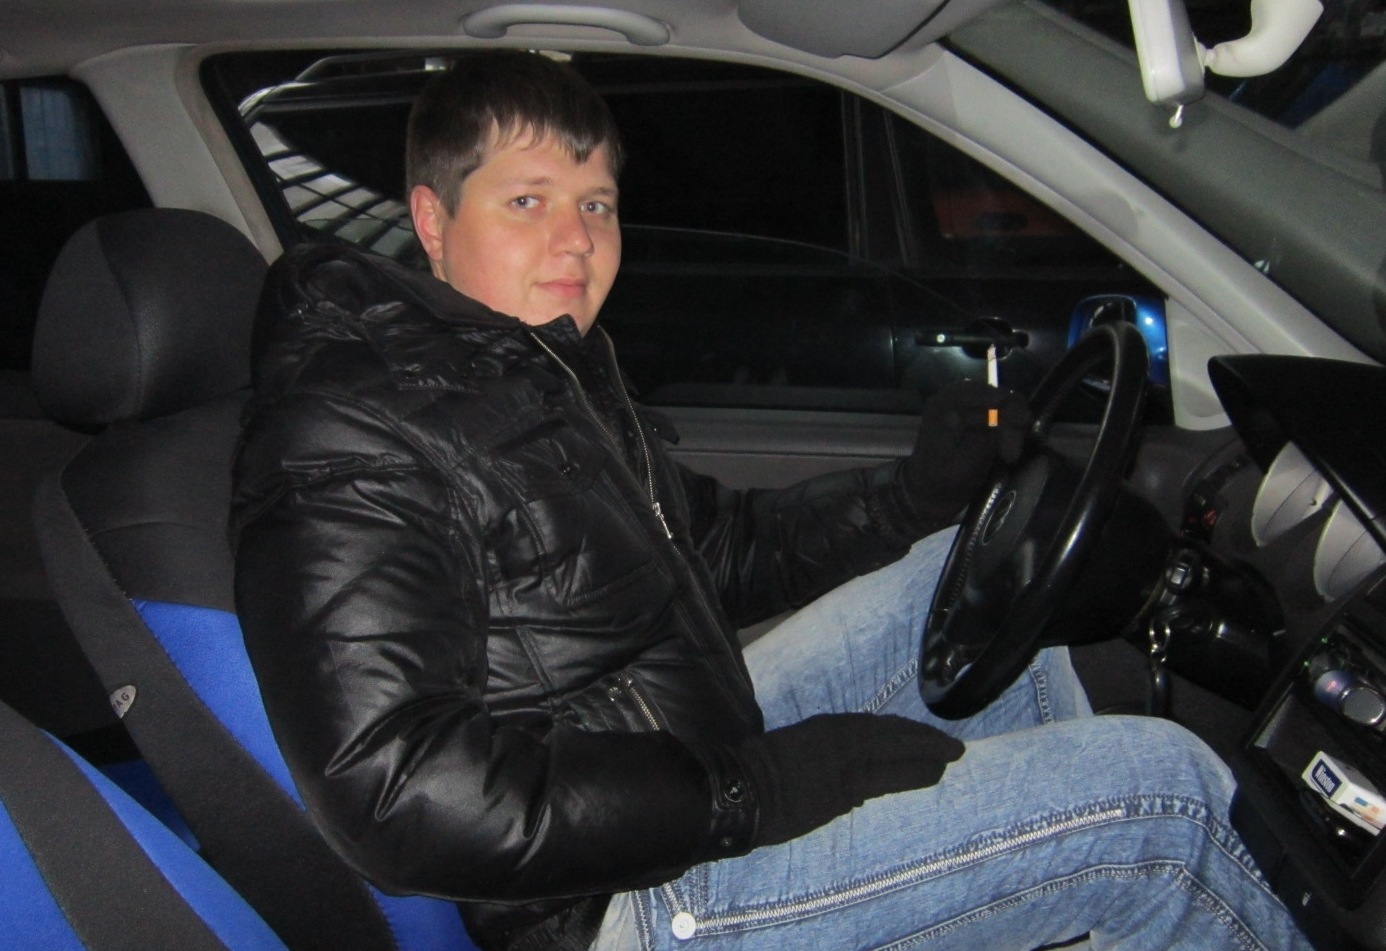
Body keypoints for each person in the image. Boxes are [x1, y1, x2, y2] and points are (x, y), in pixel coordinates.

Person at [230, 50, 1310, 951]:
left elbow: (718, 549)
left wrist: (914, 492)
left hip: (680, 756)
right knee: (1161, 801)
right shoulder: (351, 422)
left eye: (596, 203)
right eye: (528, 202)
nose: (577, 239)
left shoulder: (539, 367)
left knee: (971, 592)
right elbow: (394, 788)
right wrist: (748, 794)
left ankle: (1019, 890)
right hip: (606, 903)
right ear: (431, 218)